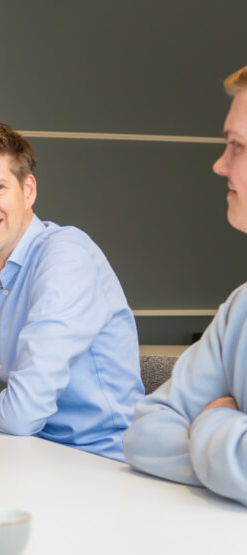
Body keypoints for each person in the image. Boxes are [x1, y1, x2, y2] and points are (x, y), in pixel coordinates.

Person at [0, 122, 143, 461]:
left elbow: (21, 414)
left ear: (28, 190)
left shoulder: (65, 256)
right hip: (35, 452)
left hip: (102, 461)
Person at [125, 66, 247, 506]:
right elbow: (145, 434)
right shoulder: (241, 306)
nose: (219, 164)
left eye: (237, 146)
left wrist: (211, 423)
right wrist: (229, 459)